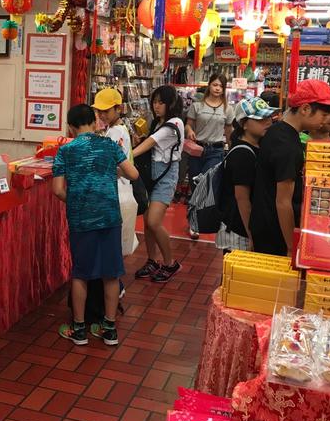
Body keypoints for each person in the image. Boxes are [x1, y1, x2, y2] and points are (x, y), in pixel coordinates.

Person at [52, 104, 139, 346]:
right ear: (94, 123)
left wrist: (78, 200)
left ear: (71, 127)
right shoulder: (109, 145)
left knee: (81, 273)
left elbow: (57, 190)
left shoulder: (65, 151)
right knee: (111, 273)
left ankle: (79, 330)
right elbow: (133, 174)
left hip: (81, 219)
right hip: (109, 216)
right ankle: (109, 329)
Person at [249, 80, 330, 256]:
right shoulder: (288, 146)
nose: (325, 120)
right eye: (323, 114)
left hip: (264, 224)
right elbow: (283, 202)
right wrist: (291, 245)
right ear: (305, 109)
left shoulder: (276, 131)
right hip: (276, 235)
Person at [132, 85, 185, 283]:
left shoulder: (175, 123)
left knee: (154, 221)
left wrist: (128, 155)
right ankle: (152, 261)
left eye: (161, 102)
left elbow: (152, 142)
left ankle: (171, 263)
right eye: (154, 101)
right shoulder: (158, 122)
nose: (156, 106)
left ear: (171, 104)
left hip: (165, 176)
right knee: (148, 222)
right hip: (151, 175)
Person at [216, 98, 277, 253]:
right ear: (244, 124)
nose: (268, 122)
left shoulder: (259, 145)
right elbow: (242, 198)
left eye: (269, 116)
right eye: (260, 118)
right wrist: (252, 235)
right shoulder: (242, 154)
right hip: (239, 230)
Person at [185, 73, 233, 238]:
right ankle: (193, 221)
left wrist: (232, 150)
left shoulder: (227, 109)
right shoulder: (197, 106)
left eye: (221, 86)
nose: (218, 88)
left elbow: (229, 132)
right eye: (215, 85)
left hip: (216, 151)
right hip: (197, 149)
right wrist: (189, 131)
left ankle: (200, 221)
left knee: (205, 184)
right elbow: (188, 125)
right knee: (195, 185)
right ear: (209, 86)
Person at [92, 87, 138, 257]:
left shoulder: (115, 131)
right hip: (119, 188)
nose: (102, 115)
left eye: (106, 111)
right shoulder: (118, 128)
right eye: (99, 111)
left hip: (115, 190)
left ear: (118, 108)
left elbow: (108, 162)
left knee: (111, 243)